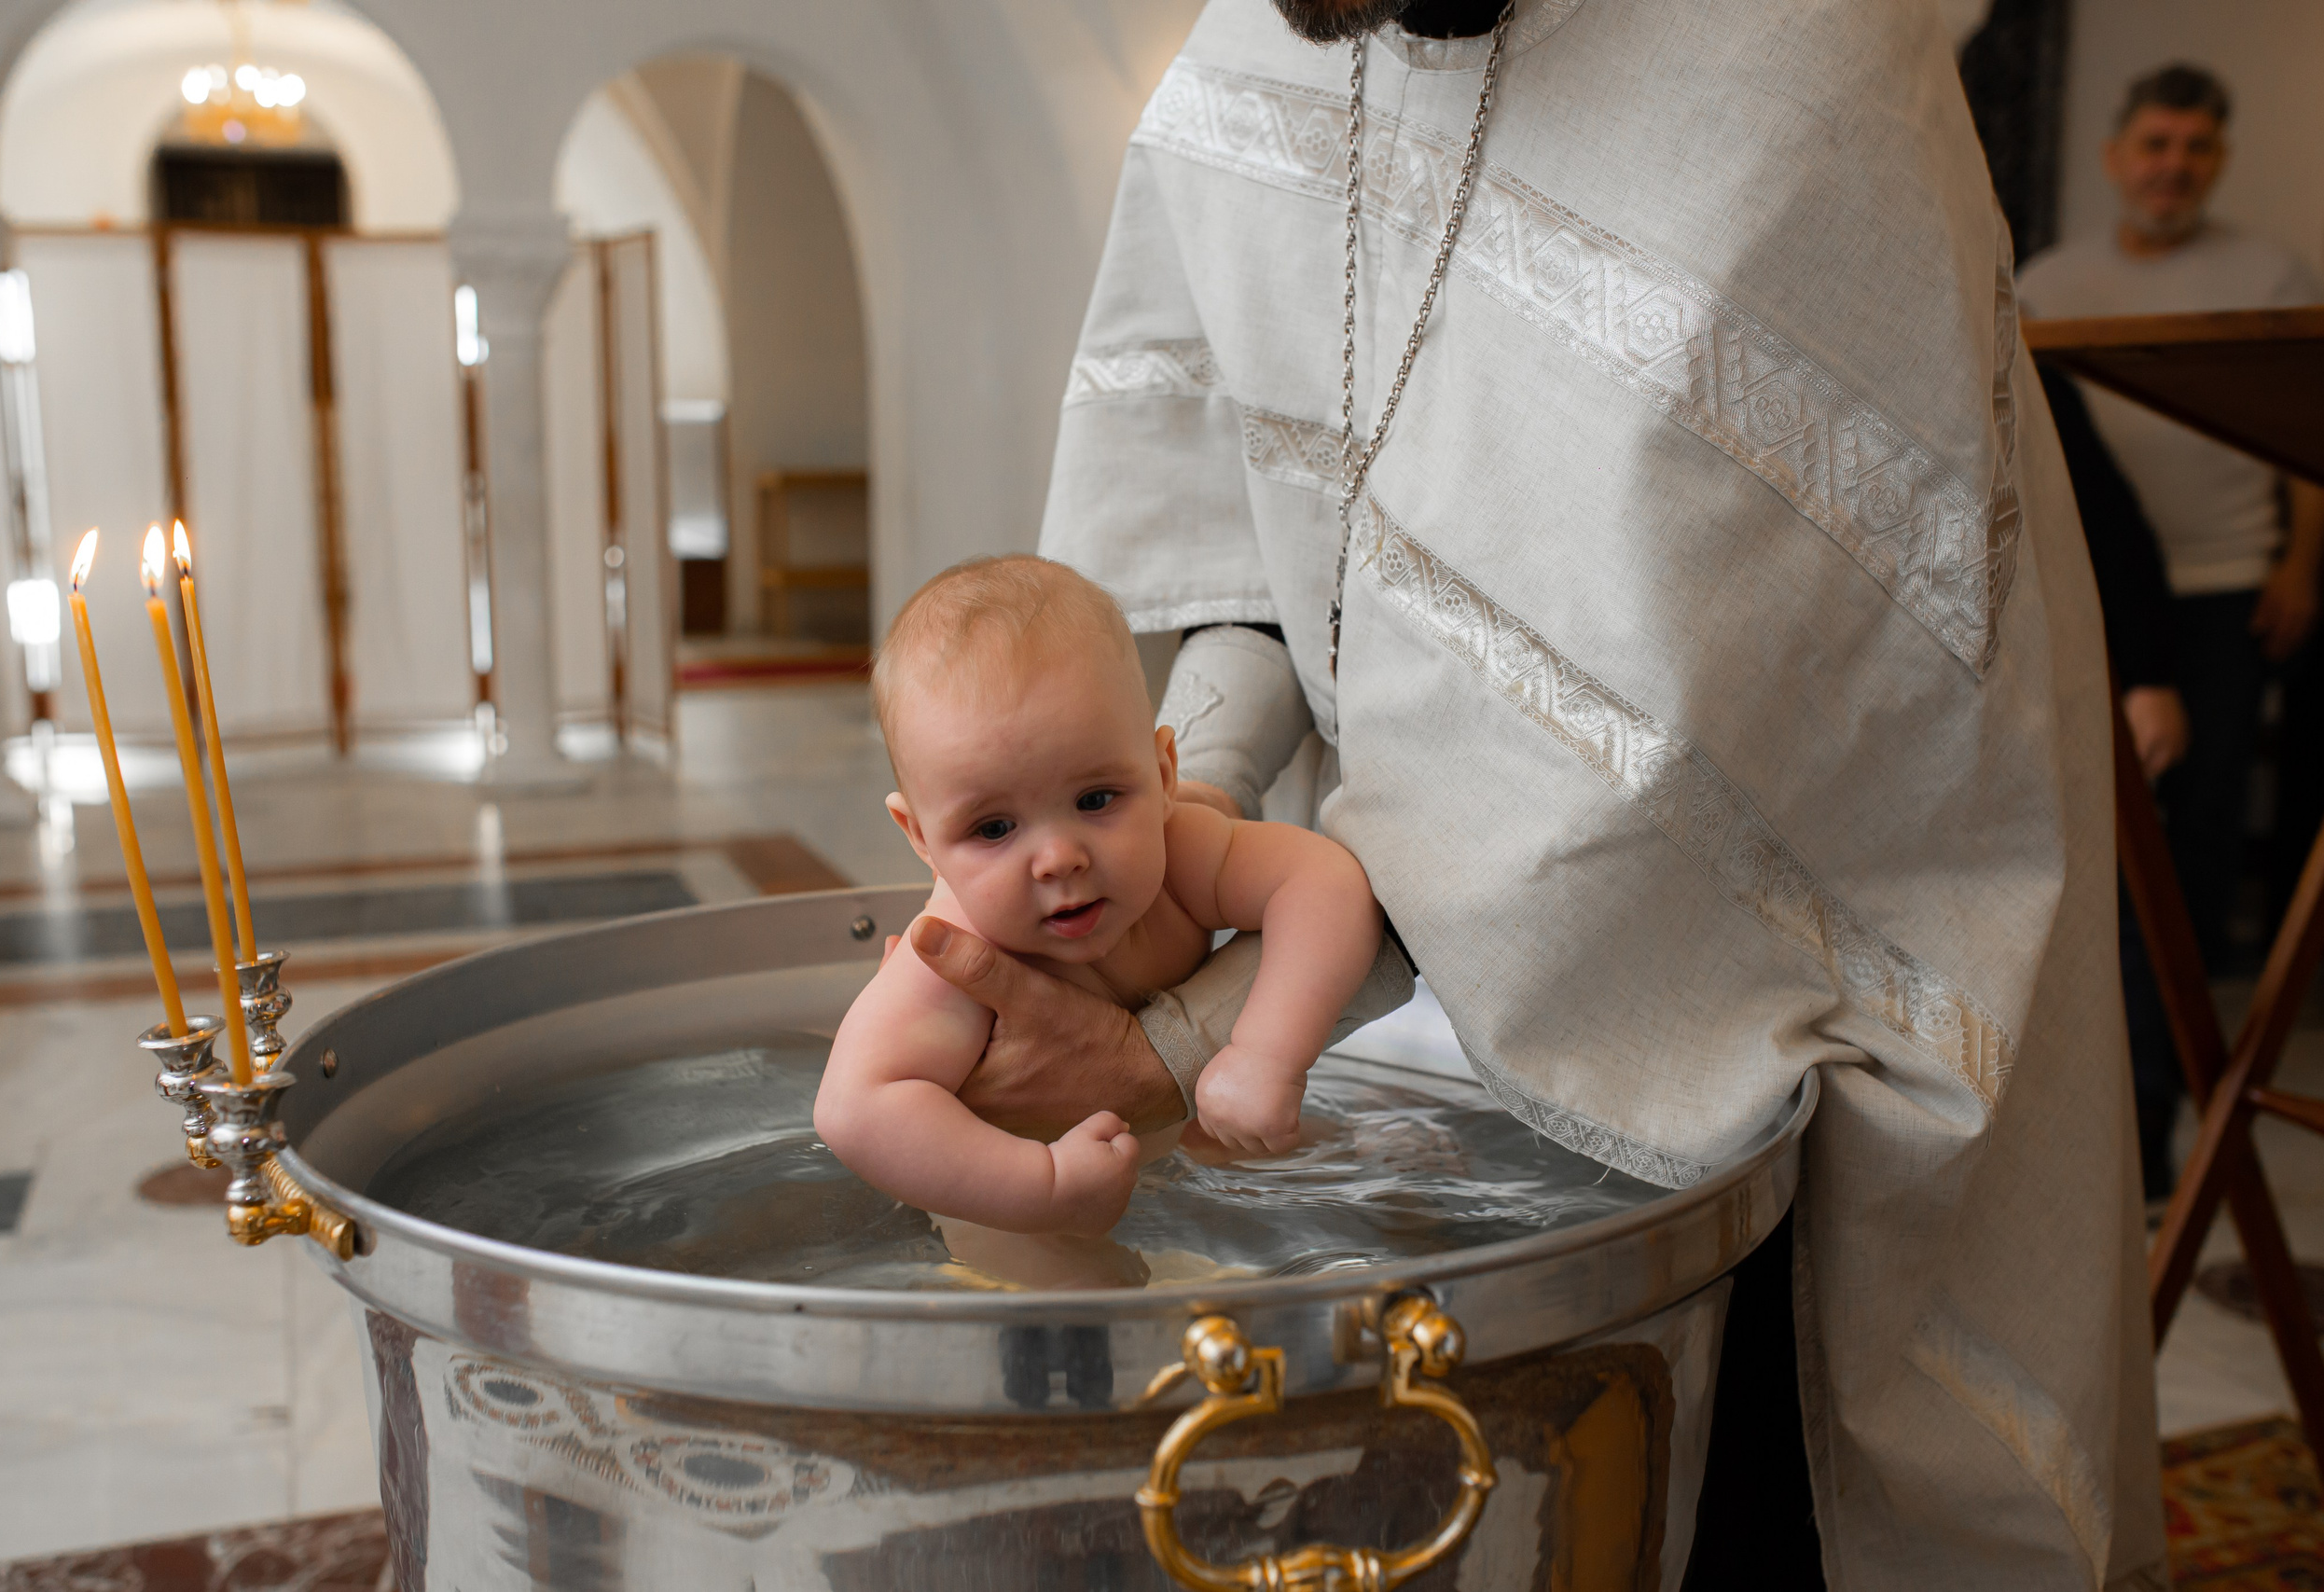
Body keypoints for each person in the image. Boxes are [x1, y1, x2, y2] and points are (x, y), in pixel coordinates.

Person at [918, 0, 2165, 1585]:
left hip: (1777, 1021)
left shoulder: (1794, 59)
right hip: (1419, 989)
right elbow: (1230, 530)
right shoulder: (1256, 52)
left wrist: (1182, 1034)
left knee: (1747, 1517)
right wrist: (1163, 833)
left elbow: (1663, 766)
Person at [816, 555, 1386, 1234]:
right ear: (921, 837)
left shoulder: (1180, 852)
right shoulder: (953, 957)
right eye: (994, 827)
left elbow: (1325, 881)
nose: (1059, 857)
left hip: (1168, 1145)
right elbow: (856, 1107)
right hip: (1011, 1199)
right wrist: (1044, 1184)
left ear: (1164, 771)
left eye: (1096, 798)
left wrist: (1265, 1054)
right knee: (1067, 1299)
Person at [2019, 63, 2324, 978]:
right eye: (2155, 144)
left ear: (2220, 160)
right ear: (2116, 157)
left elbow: (2309, 436)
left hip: (2227, 582)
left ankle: (2184, 1013)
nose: (2173, 166)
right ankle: (2103, 1007)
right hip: (2095, 585)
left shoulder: (2272, 276)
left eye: (2196, 149)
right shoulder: (2047, 282)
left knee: (2207, 803)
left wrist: (2299, 566)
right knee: (2087, 806)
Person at [2040, 361, 2192, 1203]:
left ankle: (2143, 1150)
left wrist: (2148, 677)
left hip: (2073, 680)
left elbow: (2116, 534)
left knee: (2126, 907)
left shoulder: (2029, 374)